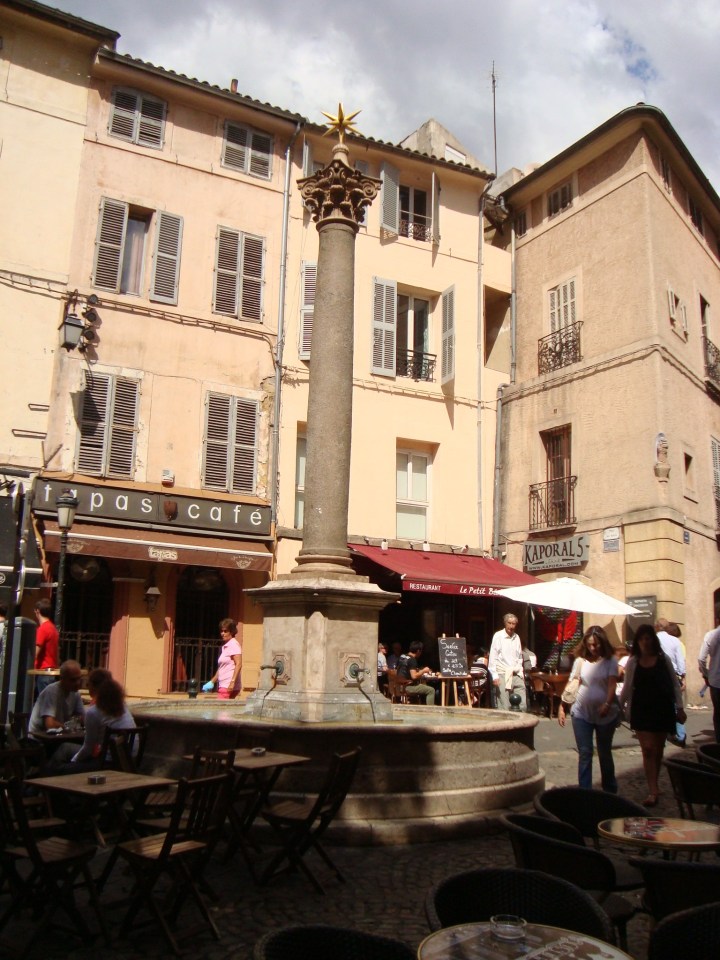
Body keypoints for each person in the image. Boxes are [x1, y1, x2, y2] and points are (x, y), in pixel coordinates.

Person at [619, 624, 685, 807]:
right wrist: (618, 707)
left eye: (648, 638)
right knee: (647, 749)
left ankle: (654, 782)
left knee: (657, 749)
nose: (645, 642)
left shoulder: (663, 660)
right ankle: (653, 790)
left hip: (661, 707)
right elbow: (627, 686)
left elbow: (674, 684)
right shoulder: (633, 662)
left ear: (653, 640)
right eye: (641, 639)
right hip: (641, 708)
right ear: (637, 642)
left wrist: (680, 707)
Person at [557, 625, 620, 793]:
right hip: (581, 713)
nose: (593, 648)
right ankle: (585, 792)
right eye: (590, 644)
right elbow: (572, 684)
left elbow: (612, 685)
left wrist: (607, 703)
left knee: (604, 752)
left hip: (605, 715)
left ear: (603, 643)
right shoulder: (580, 661)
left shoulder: (610, 661)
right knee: (585, 753)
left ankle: (610, 790)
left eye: (597, 644)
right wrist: (562, 706)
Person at [47, 670, 135, 772]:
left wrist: (74, 761)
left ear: (94, 687)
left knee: (58, 769)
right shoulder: (123, 707)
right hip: (129, 760)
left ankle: (43, 781)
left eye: (88, 684)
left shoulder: (94, 712)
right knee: (65, 748)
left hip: (106, 763)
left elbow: (88, 748)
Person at [28, 659, 84, 739]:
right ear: (62, 679)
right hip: (39, 741)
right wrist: (68, 726)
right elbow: (50, 725)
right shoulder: (52, 691)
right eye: (73, 680)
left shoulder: (75, 693)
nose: (77, 683)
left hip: (59, 738)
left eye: (79, 679)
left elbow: (83, 720)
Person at [656, 618, 687, 747]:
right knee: (676, 704)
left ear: (656, 627)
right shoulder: (675, 641)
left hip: (656, 675)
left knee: (659, 706)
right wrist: (682, 676)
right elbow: (680, 661)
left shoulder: (652, 640)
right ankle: (680, 735)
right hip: (673, 675)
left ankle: (661, 735)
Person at [488, 613, 526, 710]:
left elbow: (519, 657)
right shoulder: (498, 636)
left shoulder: (516, 637)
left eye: (513, 624)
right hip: (503, 674)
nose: (511, 626)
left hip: (516, 673)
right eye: (509, 623)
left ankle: (521, 724)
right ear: (505, 623)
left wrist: (520, 672)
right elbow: (493, 657)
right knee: (504, 706)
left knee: (522, 705)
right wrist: (495, 676)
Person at [203, 618, 242, 699]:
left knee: (221, 710)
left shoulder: (233, 644)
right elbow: (222, 668)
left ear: (231, 632)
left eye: (225, 631)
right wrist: (212, 682)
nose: (222, 633)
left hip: (227, 686)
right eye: (221, 631)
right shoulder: (226, 646)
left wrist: (232, 682)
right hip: (225, 684)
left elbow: (239, 664)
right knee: (226, 710)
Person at [698, 611, 720, 742]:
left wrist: (706, 674)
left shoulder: (711, 635)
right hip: (715, 679)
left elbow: (701, 658)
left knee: (718, 713)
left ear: (717, 619)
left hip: (716, 680)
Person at [396, 641, 436, 705]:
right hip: (408, 686)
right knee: (431, 690)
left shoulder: (402, 656)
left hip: (398, 685)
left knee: (422, 686)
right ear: (418, 651)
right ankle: (430, 709)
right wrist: (423, 671)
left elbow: (401, 669)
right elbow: (414, 676)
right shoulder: (412, 660)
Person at [33, 598, 59, 697]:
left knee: (42, 703)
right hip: (50, 670)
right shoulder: (53, 628)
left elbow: (36, 651)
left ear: (37, 611)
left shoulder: (43, 629)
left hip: (43, 671)